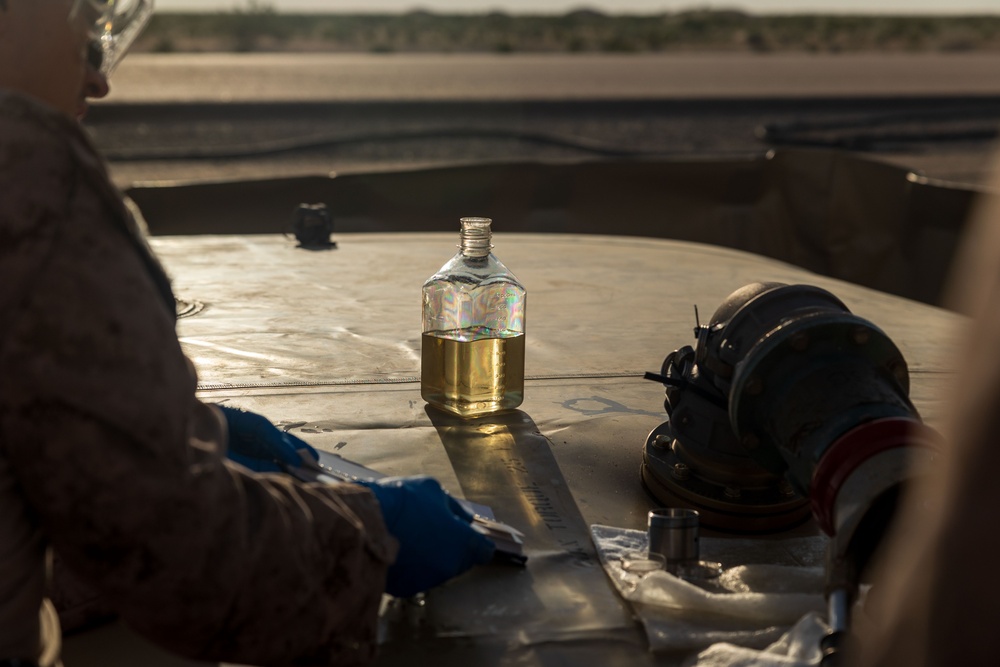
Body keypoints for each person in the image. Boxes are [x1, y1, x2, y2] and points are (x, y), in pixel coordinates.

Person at [0, 2, 494, 666]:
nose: (99, 80)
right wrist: (369, 536)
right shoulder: (27, 174)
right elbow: (178, 551)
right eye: (86, 26)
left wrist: (167, 429)